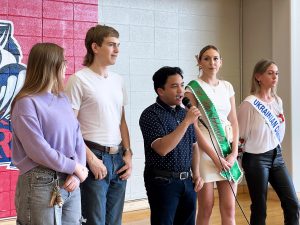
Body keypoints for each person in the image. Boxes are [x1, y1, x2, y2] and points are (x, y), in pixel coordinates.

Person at [11, 42, 88, 225]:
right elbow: (37, 149)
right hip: (40, 182)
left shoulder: (61, 98)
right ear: (51, 65)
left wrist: (77, 171)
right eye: (64, 61)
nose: (66, 65)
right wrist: (74, 167)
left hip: (70, 181)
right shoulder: (25, 103)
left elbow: (77, 136)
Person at [65, 24, 133, 225]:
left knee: (115, 222)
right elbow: (70, 127)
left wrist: (128, 154)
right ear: (95, 47)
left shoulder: (119, 80)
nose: (117, 50)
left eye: (118, 45)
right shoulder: (78, 80)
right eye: (112, 45)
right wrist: (91, 159)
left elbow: (122, 121)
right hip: (93, 157)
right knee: (95, 222)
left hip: (118, 158)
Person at [185, 45, 243, 225]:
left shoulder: (227, 86)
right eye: (207, 58)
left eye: (216, 58)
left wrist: (233, 153)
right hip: (205, 152)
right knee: (206, 207)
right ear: (199, 62)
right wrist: (215, 158)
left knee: (229, 209)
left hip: (226, 148)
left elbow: (233, 120)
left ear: (221, 62)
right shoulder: (193, 88)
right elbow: (193, 127)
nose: (212, 62)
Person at [139, 66, 204, 225]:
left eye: (182, 85)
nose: (180, 90)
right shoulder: (150, 115)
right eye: (174, 86)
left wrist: (196, 173)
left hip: (187, 182)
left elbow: (194, 146)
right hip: (163, 182)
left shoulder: (184, 112)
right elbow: (162, 148)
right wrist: (187, 121)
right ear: (160, 91)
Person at [237, 59, 299, 225]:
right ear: (258, 77)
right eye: (270, 73)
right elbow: (239, 136)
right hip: (256, 159)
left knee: (293, 203)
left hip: (277, 156)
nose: (275, 77)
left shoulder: (278, 101)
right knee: (259, 207)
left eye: (276, 73)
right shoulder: (249, 104)